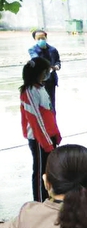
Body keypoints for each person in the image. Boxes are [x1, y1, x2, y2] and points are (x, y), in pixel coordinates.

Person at [20, 57, 61, 202]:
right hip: (39, 139)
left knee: (49, 170)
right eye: (46, 71)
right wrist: (46, 143)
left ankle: (48, 198)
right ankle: (39, 201)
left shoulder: (41, 88)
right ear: (39, 73)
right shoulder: (29, 91)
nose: (48, 73)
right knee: (39, 171)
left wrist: (56, 133)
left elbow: (49, 113)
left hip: (48, 136)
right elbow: (36, 120)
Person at [28, 29, 61, 110]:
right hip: (39, 81)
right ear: (35, 39)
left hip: (51, 80)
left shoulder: (53, 50)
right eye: (38, 38)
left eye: (42, 38)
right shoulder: (33, 50)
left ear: (46, 37)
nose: (41, 40)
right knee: (41, 105)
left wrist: (57, 66)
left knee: (52, 103)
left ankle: (53, 121)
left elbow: (57, 61)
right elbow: (36, 59)